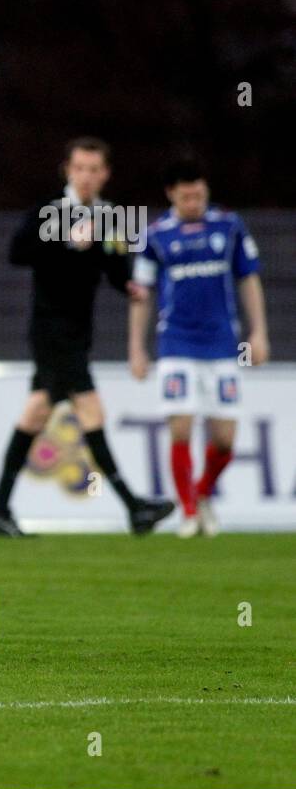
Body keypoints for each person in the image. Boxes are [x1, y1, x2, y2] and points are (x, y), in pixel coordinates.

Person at [0, 137, 175, 537]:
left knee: (34, 415)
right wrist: (66, 241)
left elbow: (115, 265)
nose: (86, 176)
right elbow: (16, 253)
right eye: (79, 168)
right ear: (67, 170)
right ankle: (134, 506)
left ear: (105, 174)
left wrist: (131, 287)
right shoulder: (51, 212)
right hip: (52, 332)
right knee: (91, 412)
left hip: (78, 332)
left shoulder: (107, 216)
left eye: (94, 169)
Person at [129, 158, 269, 537]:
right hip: (176, 342)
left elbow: (249, 279)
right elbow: (141, 295)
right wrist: (137, 349)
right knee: (181, 429)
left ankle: (202, 492)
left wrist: (258, 333)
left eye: (200, 193)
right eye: (187, 195)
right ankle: (189, 512)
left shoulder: (229, 225)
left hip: (222, 344)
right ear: (171, 194)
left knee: (225, 439)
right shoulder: (155, 235)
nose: (194, 201)